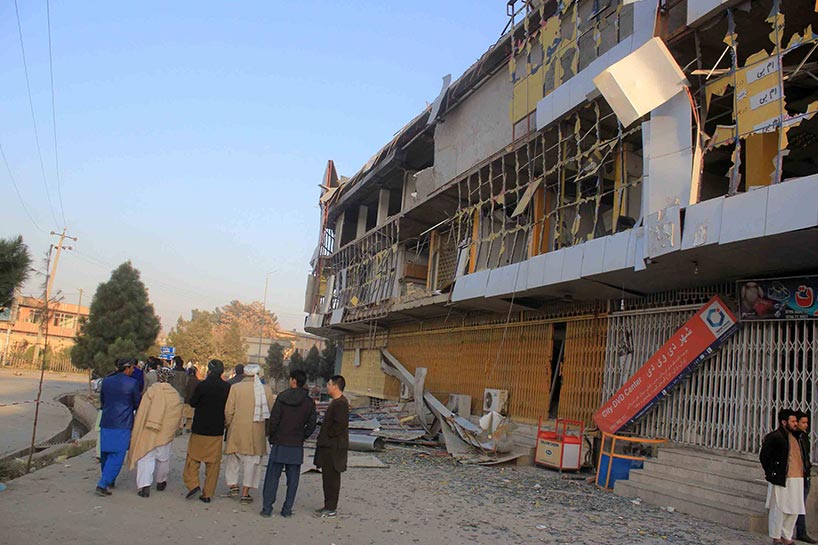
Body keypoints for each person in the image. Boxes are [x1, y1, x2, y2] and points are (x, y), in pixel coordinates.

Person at [260, 369, 317, 518]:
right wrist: (303, 436)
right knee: (293, 480)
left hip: (280, 442)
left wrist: (272, 436)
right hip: (296, 444)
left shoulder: (282, 397)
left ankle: (267, 508)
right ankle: (287, 509)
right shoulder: (309, 402)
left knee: (272, 477)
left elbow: (274, 419)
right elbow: (312, 424)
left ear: (293, 381)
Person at [127, 368, 183, 497]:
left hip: (149, 430)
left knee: (146, 457)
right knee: (163, 458)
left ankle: (145, 486)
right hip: (166, 433)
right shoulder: (175, 395)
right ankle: (161, 481)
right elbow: (176, 416)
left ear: (158, 377)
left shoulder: (151, 392)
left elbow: (142, 412)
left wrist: (139, 426)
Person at [183, 359, 231, 503]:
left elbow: (193, 402)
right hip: (216, 430)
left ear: (209, 370)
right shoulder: (227, 387)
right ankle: (207, 494)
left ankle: (193, 484)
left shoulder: (202, 385)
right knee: (213, 464)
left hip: (199, 428)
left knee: (193, 459)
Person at [224, 364, 273, 504]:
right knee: (252, 463)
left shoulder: (236, 388)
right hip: (256, 432)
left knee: (233, 459)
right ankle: (245, 493)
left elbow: (229, 410)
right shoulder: (266, 390)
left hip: (237, 429)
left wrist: (229, 424)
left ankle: (233, 485)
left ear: (245, 374)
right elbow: (270, 411)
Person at [761, 409, 808, 544]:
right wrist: (772, 473)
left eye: (796, 421)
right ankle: (776, 537)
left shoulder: (800, 437)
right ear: (784, 422)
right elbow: (764, 456)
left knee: (794, 509)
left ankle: (787, 536)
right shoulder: (775, 437)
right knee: (779, 509)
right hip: (782, 478)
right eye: (792, 421)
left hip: (798, 477)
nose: (795, 424)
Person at [96, 358, 141, 497]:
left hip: (107, 420)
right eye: (132, 368)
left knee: (105, 453)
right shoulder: (132, 383)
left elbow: (102, 400)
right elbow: (137, 403)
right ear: (126, 369)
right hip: (122, 423)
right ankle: (103, 484)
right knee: (117, 455)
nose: (133, 370)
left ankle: (109, 479)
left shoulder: (106, 381)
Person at [313, 375, 349, 519]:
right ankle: (327, 505)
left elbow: (339, 426)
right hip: (329, 447)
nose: (327, 386)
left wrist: (327, 435)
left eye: (329, 384)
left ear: (335, 386)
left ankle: (331, 508)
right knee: (327, 478)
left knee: (332, 479)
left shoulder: (341, 404)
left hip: (334, 448)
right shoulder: (336, 402)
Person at [796, 410, 817, 544]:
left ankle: (801, 532)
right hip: (797, 475)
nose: (806, 425)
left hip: (805, 474)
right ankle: (800, 532)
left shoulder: (803, 437)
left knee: (801, 505)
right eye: (803, 422)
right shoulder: (795, 437)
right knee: (798, 505)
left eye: (806, 422)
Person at [182, 367, 200, 431]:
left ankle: (180, 427)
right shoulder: (198, 381)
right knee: (190, 416)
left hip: (185, 399)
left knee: (182, 415)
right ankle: (188, 427)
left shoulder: (186, 380)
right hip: (192, 401)